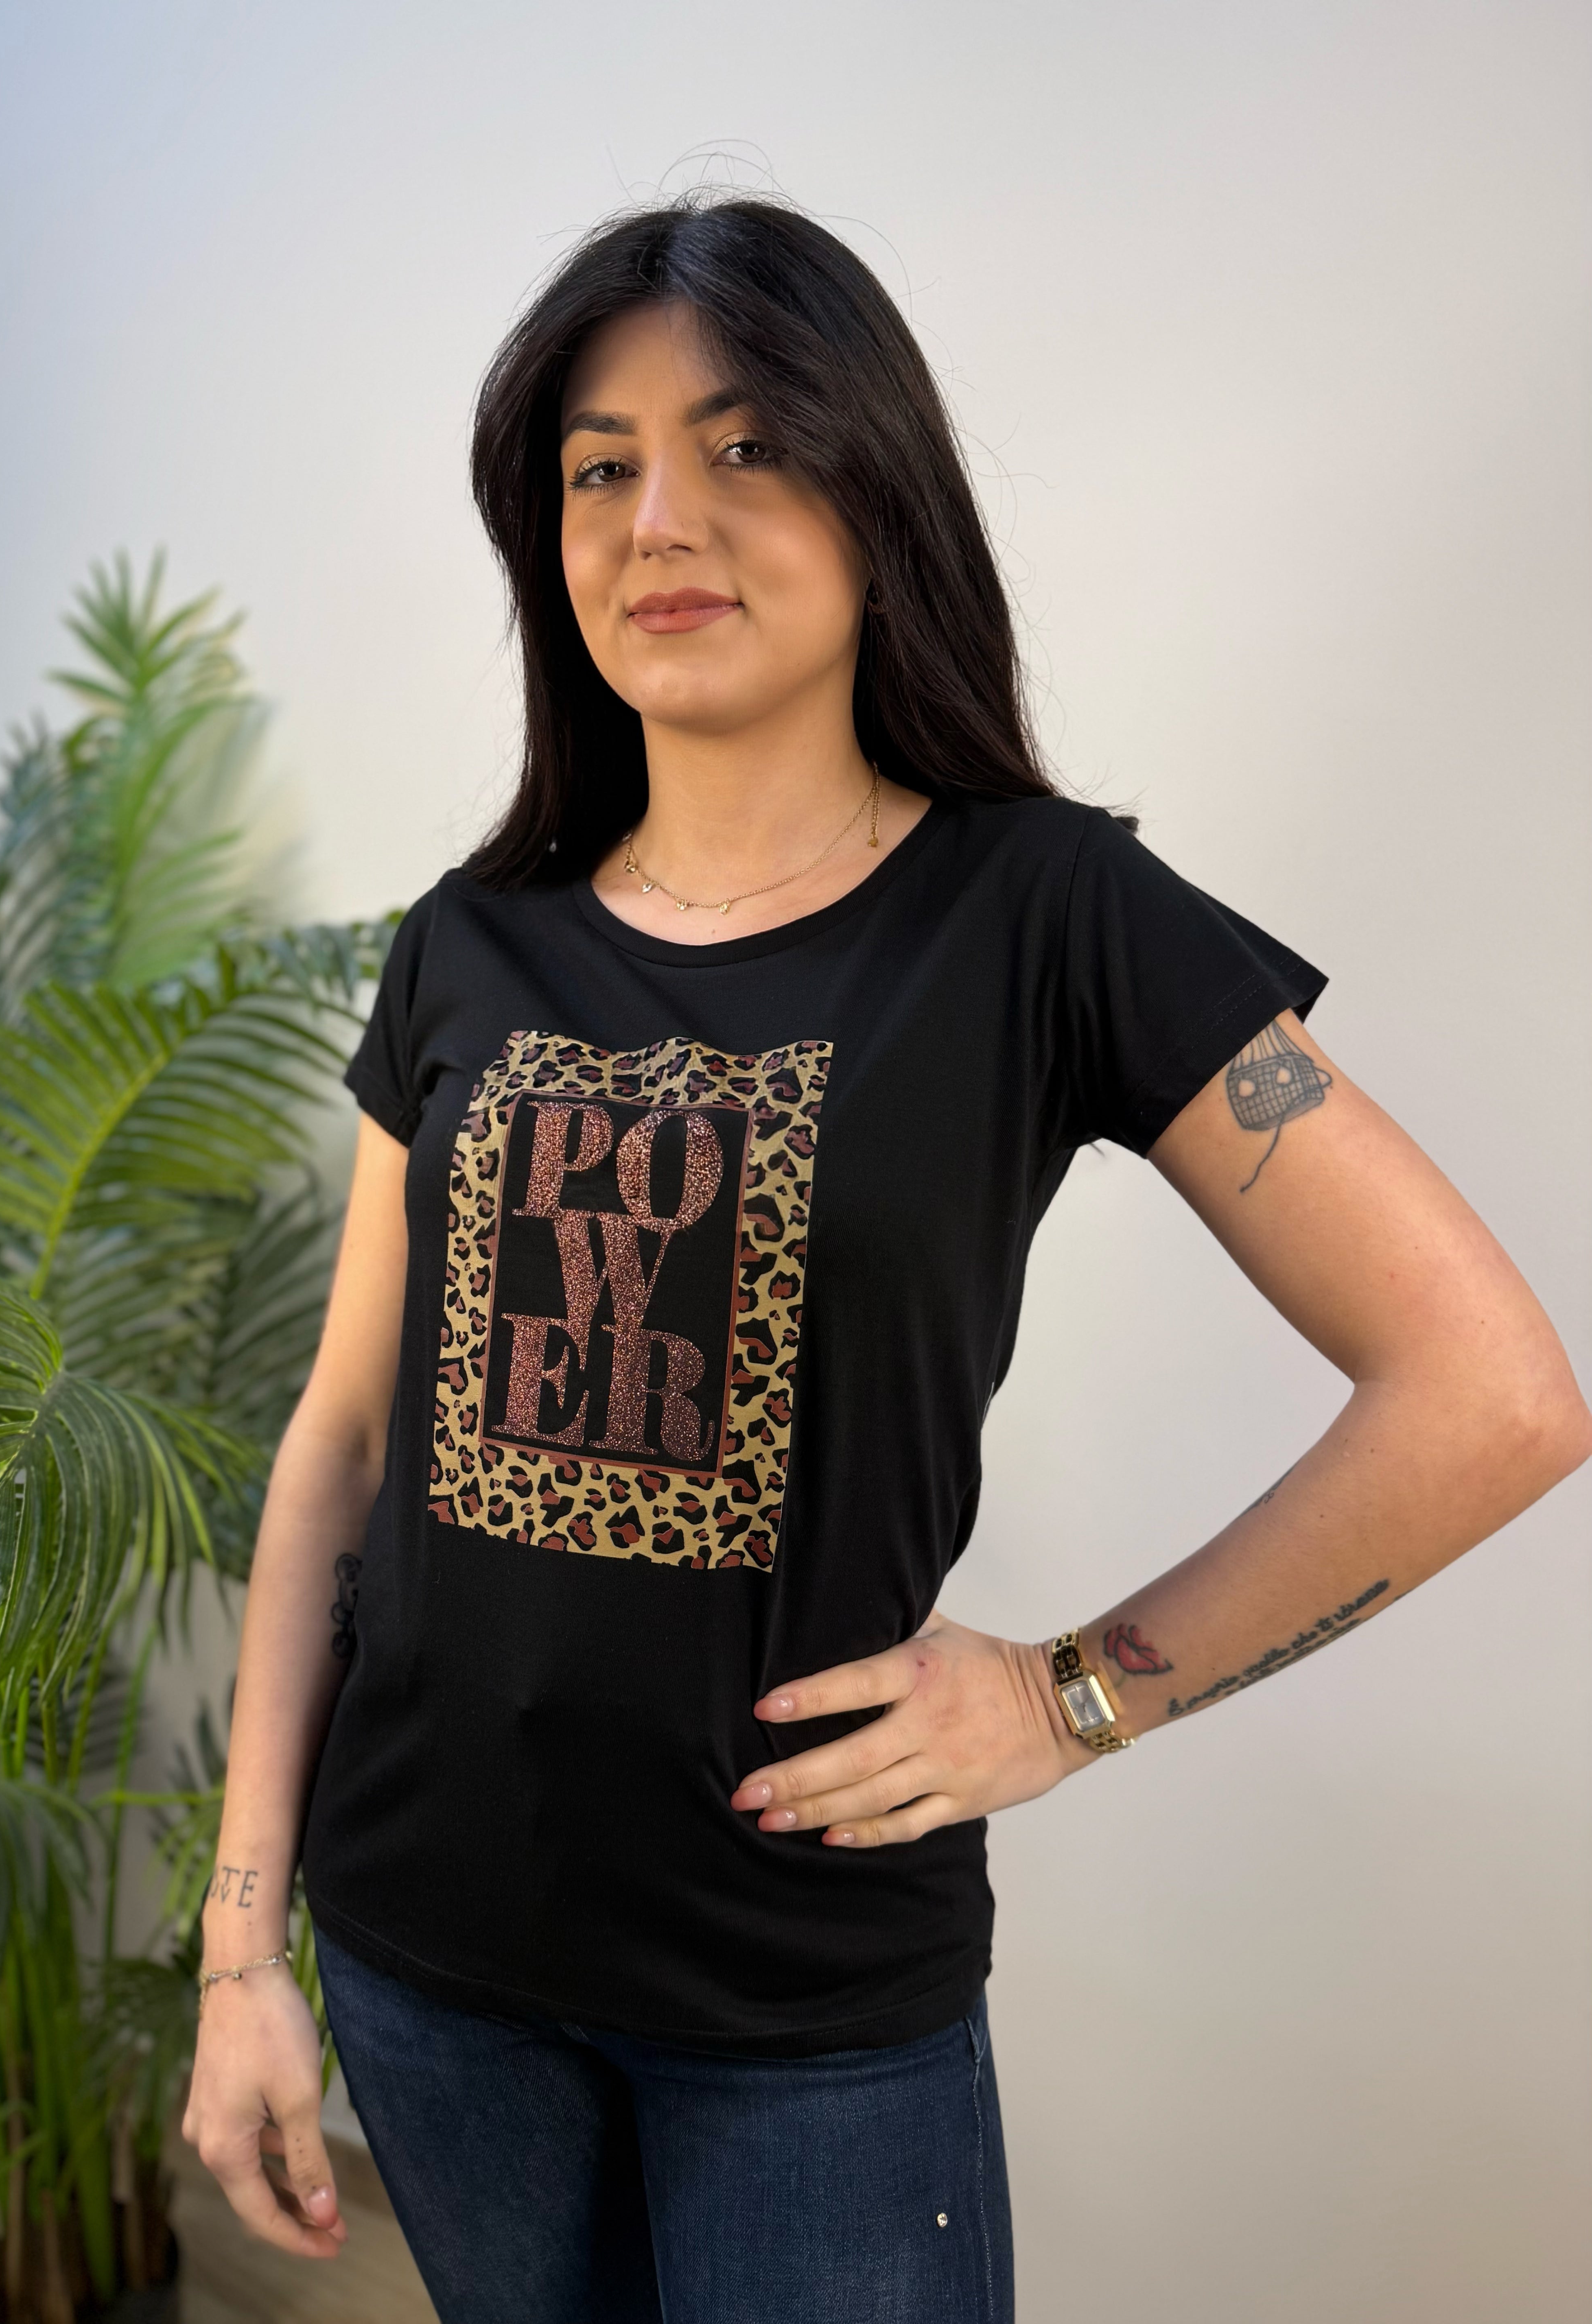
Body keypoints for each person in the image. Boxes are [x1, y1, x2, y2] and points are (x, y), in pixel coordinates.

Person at [181, 196, 1590, 2324]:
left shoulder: (1049, 917)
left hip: (805, 2013)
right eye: (599, 467)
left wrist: (1073, 1696)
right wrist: (240, 1955)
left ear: (878, 491)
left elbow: (1492, 1392)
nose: (661, 518)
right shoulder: (468, 945)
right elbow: (342, 1450)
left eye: (745, 446)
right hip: (429, 1970)